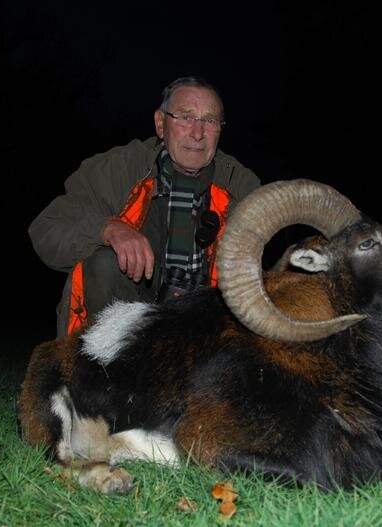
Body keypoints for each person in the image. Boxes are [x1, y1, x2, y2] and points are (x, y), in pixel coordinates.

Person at [29, 76, 261, 337]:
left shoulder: (242, 187)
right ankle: (99, 373)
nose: (198, 133)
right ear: (161, 124)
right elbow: (45, 229)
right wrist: (108, 229)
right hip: (129, 327)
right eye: (185, 117)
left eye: (210, 121)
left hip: (206, 329)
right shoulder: (118, 170)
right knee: (104, 262)